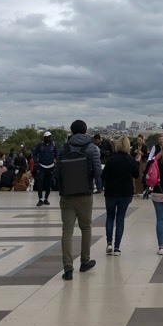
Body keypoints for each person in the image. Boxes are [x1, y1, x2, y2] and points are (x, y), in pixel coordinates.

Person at [59, 120, 101, 280]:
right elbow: (98, 171)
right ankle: (85, 261)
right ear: (85, 131)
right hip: (84, 193)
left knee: (67, 231)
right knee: (86, 228)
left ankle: (68, 268)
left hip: (67, 195)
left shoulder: (64, 148)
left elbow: (57, 171)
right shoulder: (91, 148)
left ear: (72, 131)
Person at [101, 136, 138, 255]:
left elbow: (103, 177)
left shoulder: (111, 160)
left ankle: (109, 243)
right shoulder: (131, 160)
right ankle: (117, 247)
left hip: (111, 192)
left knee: (110, 217)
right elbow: (136, 175)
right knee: (120, 218)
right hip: (125, 192)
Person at [33, 132, 58, 206]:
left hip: (50, 167)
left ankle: (46, 198)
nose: (49, 138)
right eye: (48, 137)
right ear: (44, 138)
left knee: (48, 183)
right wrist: (36, 162)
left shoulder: (53, 145)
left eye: (50, 136)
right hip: (41, 166)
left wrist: (55, 163)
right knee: (40, 182)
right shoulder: (40, 145)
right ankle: (40, 199)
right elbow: (34, 154)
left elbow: (56, 155)